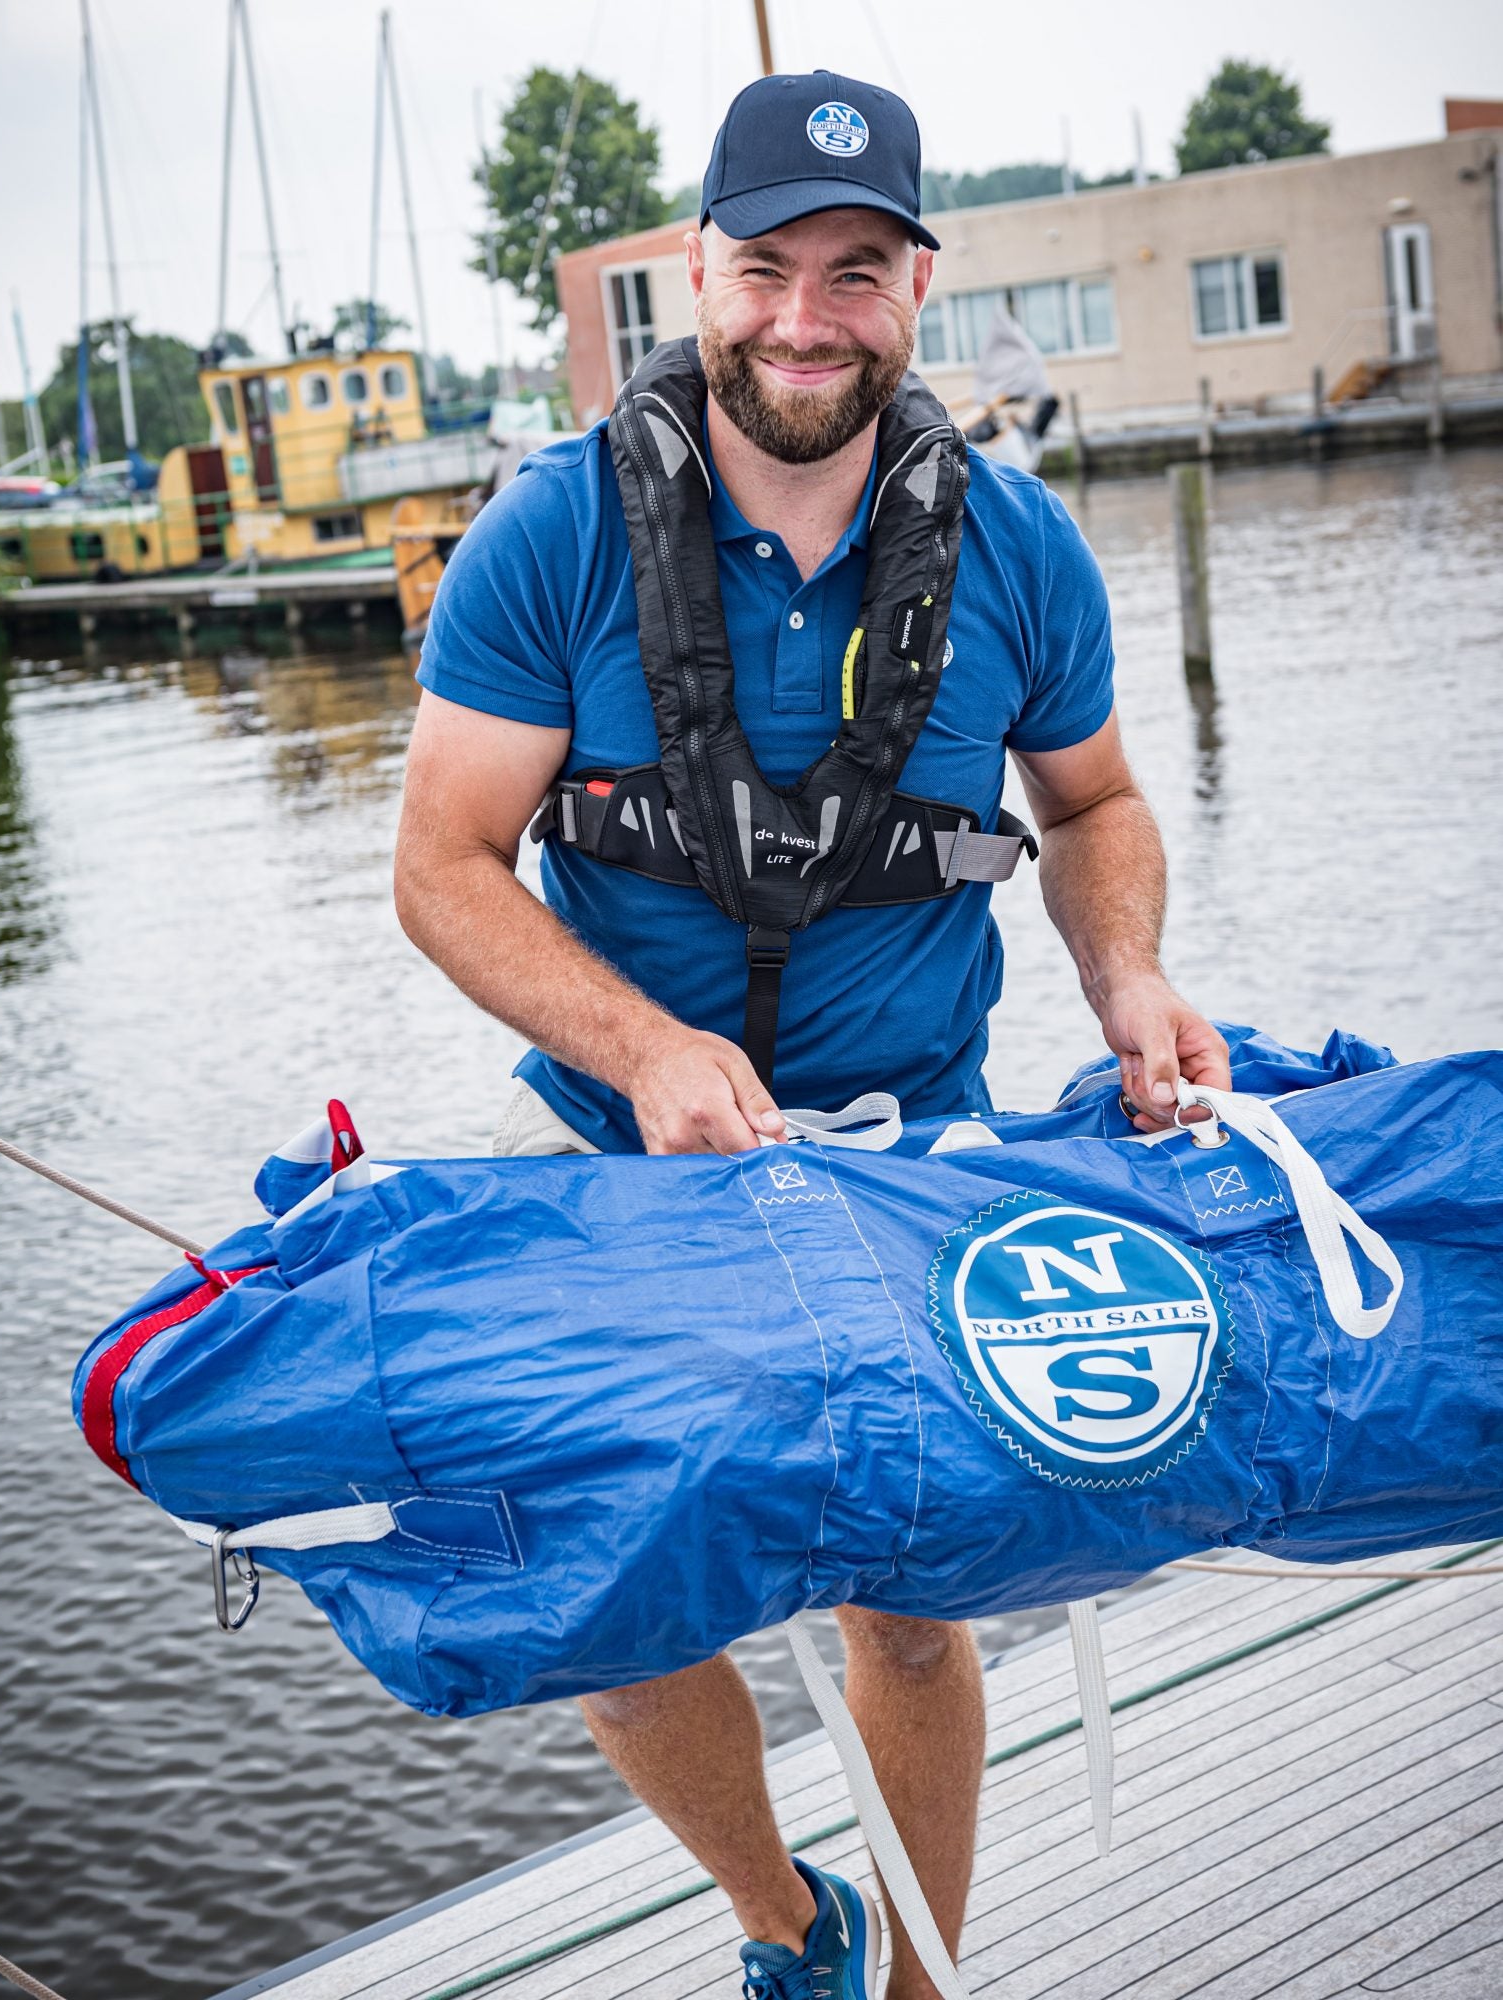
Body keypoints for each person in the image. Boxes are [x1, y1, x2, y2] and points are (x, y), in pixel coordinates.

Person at [395, 67, 1229, 2000]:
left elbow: (1094, 808)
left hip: (911, 1156)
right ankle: (790, 1927)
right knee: (603, 1600)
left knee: (912, 1615)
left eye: (853, 274)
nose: (799, 318)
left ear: (915, 290)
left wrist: (1124, 982)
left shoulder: (1016, 544)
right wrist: (642, 1053)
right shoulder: (549, 537)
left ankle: (922, 1982)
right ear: (695, 272)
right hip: (633, 1151)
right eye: (762, 266)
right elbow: (444, 864)